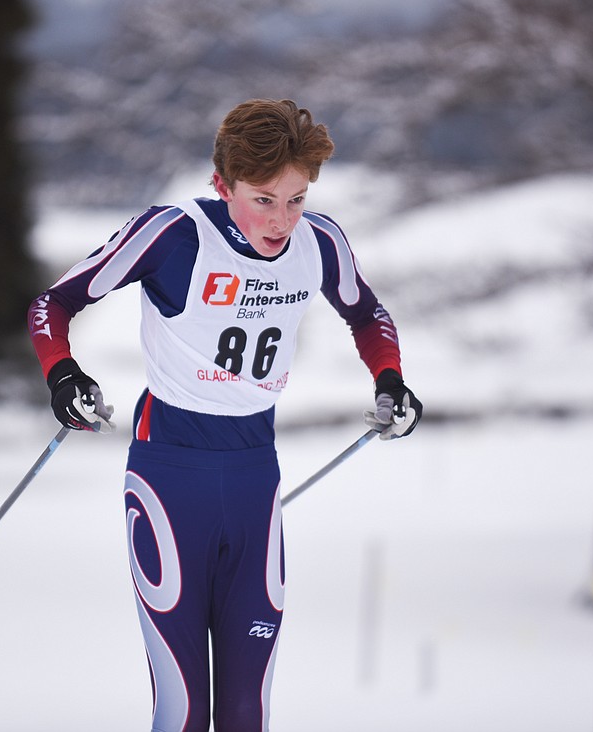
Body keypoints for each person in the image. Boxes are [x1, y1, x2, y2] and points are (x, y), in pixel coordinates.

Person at [28, 98, 421, 732]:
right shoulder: (174, 234)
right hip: (168, 475)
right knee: (184, 710)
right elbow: (54, 303)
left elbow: (366, 312)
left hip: (253, 478)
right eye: (263, 199)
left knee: (245, 713)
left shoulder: (319, 242)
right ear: (223, 183)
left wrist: (390, 378)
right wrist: (63, 374)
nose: (282, 219)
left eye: (295, 199)